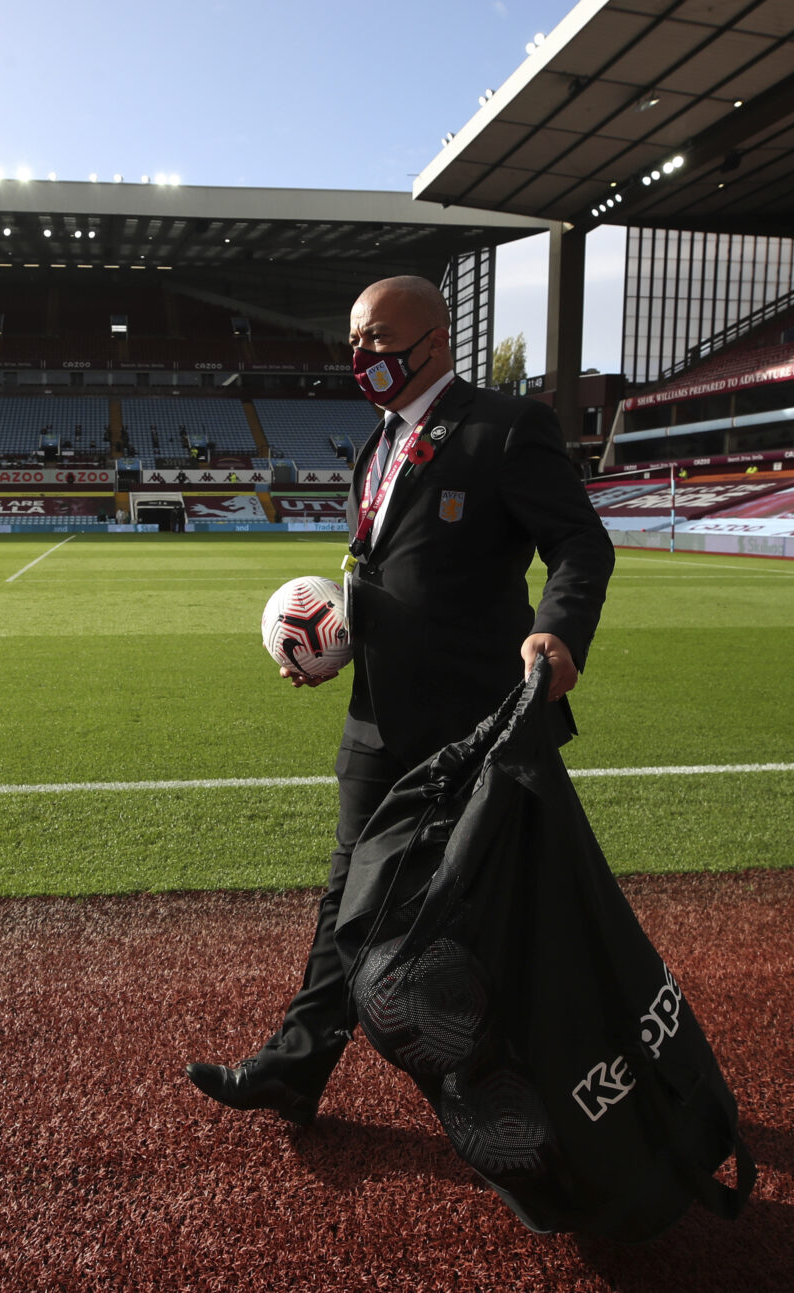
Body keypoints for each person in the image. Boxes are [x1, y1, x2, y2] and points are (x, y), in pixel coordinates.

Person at [185, 275, 615, 1126]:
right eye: (353, 340)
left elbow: (580, 544)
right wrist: (337, 649)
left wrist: (560, 633)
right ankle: (296, 1067)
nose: (360, 357)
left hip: (477, 726)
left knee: (509, 910)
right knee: (348, 899)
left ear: (435, 339)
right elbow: (390, 573)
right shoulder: (374, 446)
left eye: (377, 340)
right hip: (378, 721)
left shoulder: (504, 427)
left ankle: (589, 1071)